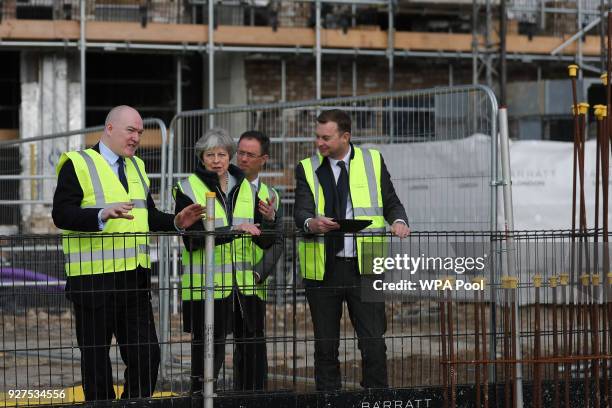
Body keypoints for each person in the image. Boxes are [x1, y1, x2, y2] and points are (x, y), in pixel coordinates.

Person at [52, 105, 204, 401]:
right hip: (93, 281)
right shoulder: (78, 163)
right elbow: (62, 214)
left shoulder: (136, 166)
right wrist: (101, 214)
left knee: (147, 357)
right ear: (109, 129)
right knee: (96, 364)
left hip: (134, 281)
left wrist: (175, 221)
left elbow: (146, 215)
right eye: (130, 130)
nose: (136, 137)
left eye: (140, 132)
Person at [294, 109, 410, 391]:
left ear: (345, 136)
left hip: (367, 266)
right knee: (325, 345)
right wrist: (312, 223)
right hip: (323, 268)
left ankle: (376, 396)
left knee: (373, 342)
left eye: (326, 137)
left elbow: (390, 200)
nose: (319, 142)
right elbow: (301, 212)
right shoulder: (306, 168)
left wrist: (398, 220)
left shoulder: (373, 160)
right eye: (317, 136)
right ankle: (329, 399)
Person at [173, 128, 276, 393]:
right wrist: (233, 231)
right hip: (206, 287)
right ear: (201, 157)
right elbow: (192, 239)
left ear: (229, 156)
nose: (217, 160)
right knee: (207, 356)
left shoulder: (247, 188)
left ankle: (251, 399)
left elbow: (264, 240)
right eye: (210, 154)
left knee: (252, 352)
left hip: (245, 286)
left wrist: (269, 221)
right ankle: (201, 398)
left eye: (222, 154)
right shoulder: (187, 188)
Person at [234, 130, 284, 390]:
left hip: (252, 282)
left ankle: (253, 397)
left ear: (263, 159)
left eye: (249, 154)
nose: (242, 158)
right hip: (217, 279)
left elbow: (277, 242)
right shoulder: (223, 186)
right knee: (213, 345)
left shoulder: (270, 194)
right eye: (240, 152)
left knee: (252, 345)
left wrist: (258, 273)